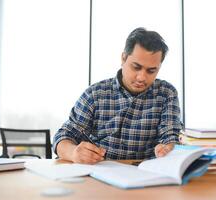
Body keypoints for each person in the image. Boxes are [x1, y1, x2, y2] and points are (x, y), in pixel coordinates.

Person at [53, 27, 183, 164]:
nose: (141, 77)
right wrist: (73, 153)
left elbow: (171, 137)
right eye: (136, 67)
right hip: (99, 174)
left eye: (151, 71)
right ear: (123, 58)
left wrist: (169, 148)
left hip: (146, 176)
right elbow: (63, 136)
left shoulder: (166, 93)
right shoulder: (95, 94)